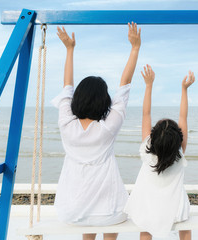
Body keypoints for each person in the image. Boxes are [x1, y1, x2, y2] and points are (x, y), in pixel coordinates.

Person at [51, 22, 141, 240]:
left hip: (73, 211)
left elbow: (67, 86)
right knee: (109, 217)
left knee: (87, 221)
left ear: (77, 99)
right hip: (109, 212)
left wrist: (69, 50)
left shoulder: (66, 124)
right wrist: (135, 48)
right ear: (104, 102)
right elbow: (125, 84)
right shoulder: (108, 128)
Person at [124, 65, 195, 240]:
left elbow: (146, 114)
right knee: (185, 227)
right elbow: (183, 117)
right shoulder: (179, 154)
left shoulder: (146, 151)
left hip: (148, 206)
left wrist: (148, 85)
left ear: (152, 139)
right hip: (175, 209)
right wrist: (184, 90)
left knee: (146, 227)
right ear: (179, 140)